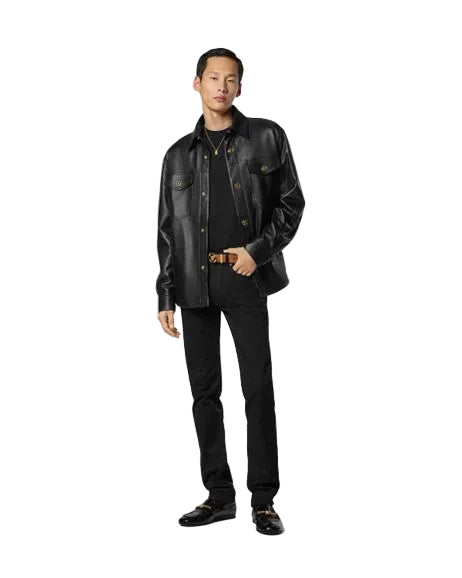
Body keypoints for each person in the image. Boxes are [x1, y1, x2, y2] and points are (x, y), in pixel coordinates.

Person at [156, 48, 305, 535]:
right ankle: (219, 496)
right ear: (196, 83)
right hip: (194, 284)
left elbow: (292, 203)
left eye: (231, 79)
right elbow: (167, 230)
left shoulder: (266, 136)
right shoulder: (177, 155)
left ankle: (264, 500)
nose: (222, 87)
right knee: (204, 394)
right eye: (213, 77)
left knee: (257, 389)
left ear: (240, 87)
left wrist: (257, 252)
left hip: (245, 277)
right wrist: (165, 293)